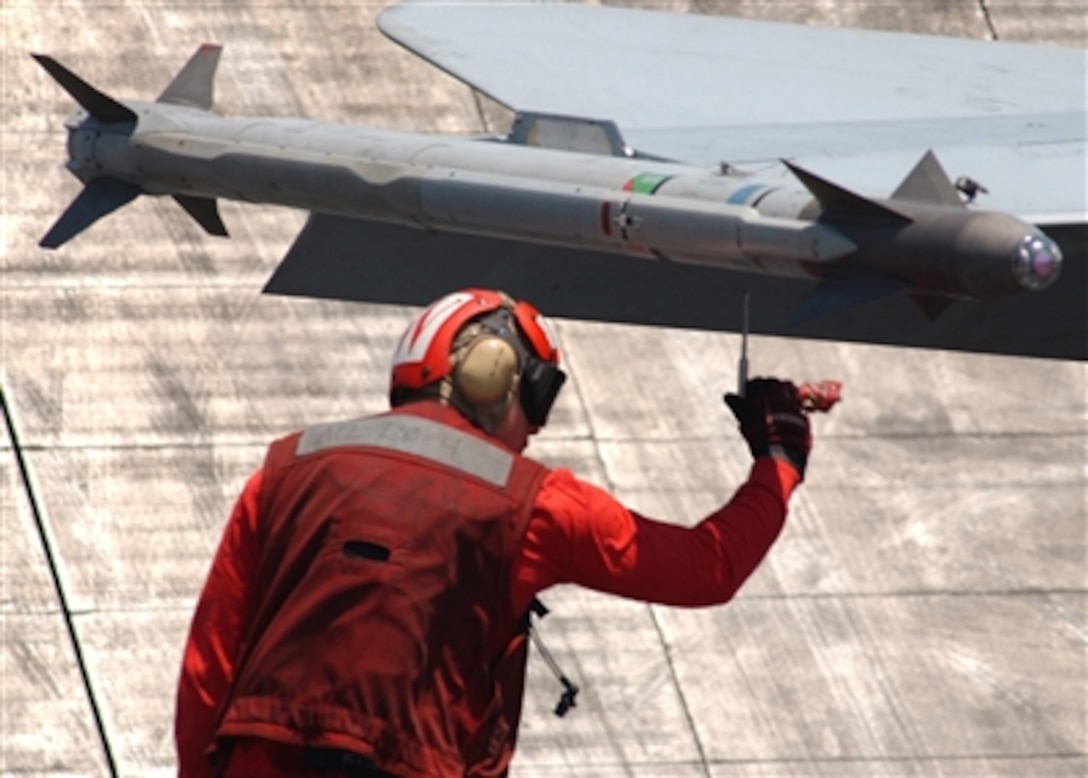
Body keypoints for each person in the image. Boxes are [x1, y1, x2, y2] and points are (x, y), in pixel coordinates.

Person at [175, 288, 813, 778]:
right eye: (538, 396)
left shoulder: (287, 469)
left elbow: (212, 657)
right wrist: (779, 461)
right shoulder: (531, 503)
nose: (534, 428)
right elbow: (708, 568)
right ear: (495, 376)